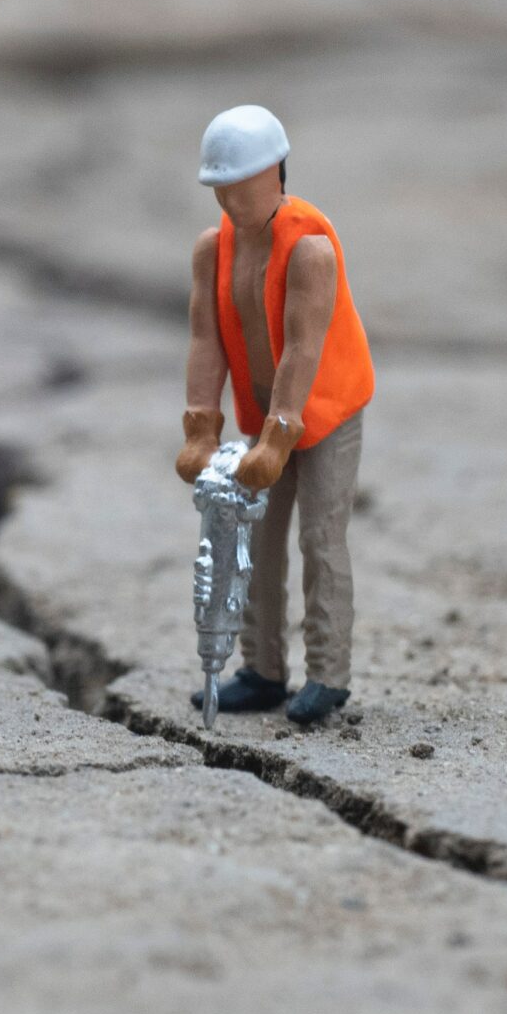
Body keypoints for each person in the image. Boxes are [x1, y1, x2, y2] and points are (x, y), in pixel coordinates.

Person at [174, 105, 375, 725]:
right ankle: (262, 669)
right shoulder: (216, 249)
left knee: (321, 539)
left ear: (276, 173)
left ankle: (328, 676)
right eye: (221, 190)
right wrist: (202, 425)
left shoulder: (309, 249)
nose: (231, 201)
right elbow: (207, 340)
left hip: (325, 413)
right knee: (254, 543)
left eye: (242, 186)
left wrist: (280, 437)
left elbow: (303, 348)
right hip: (262, 421)